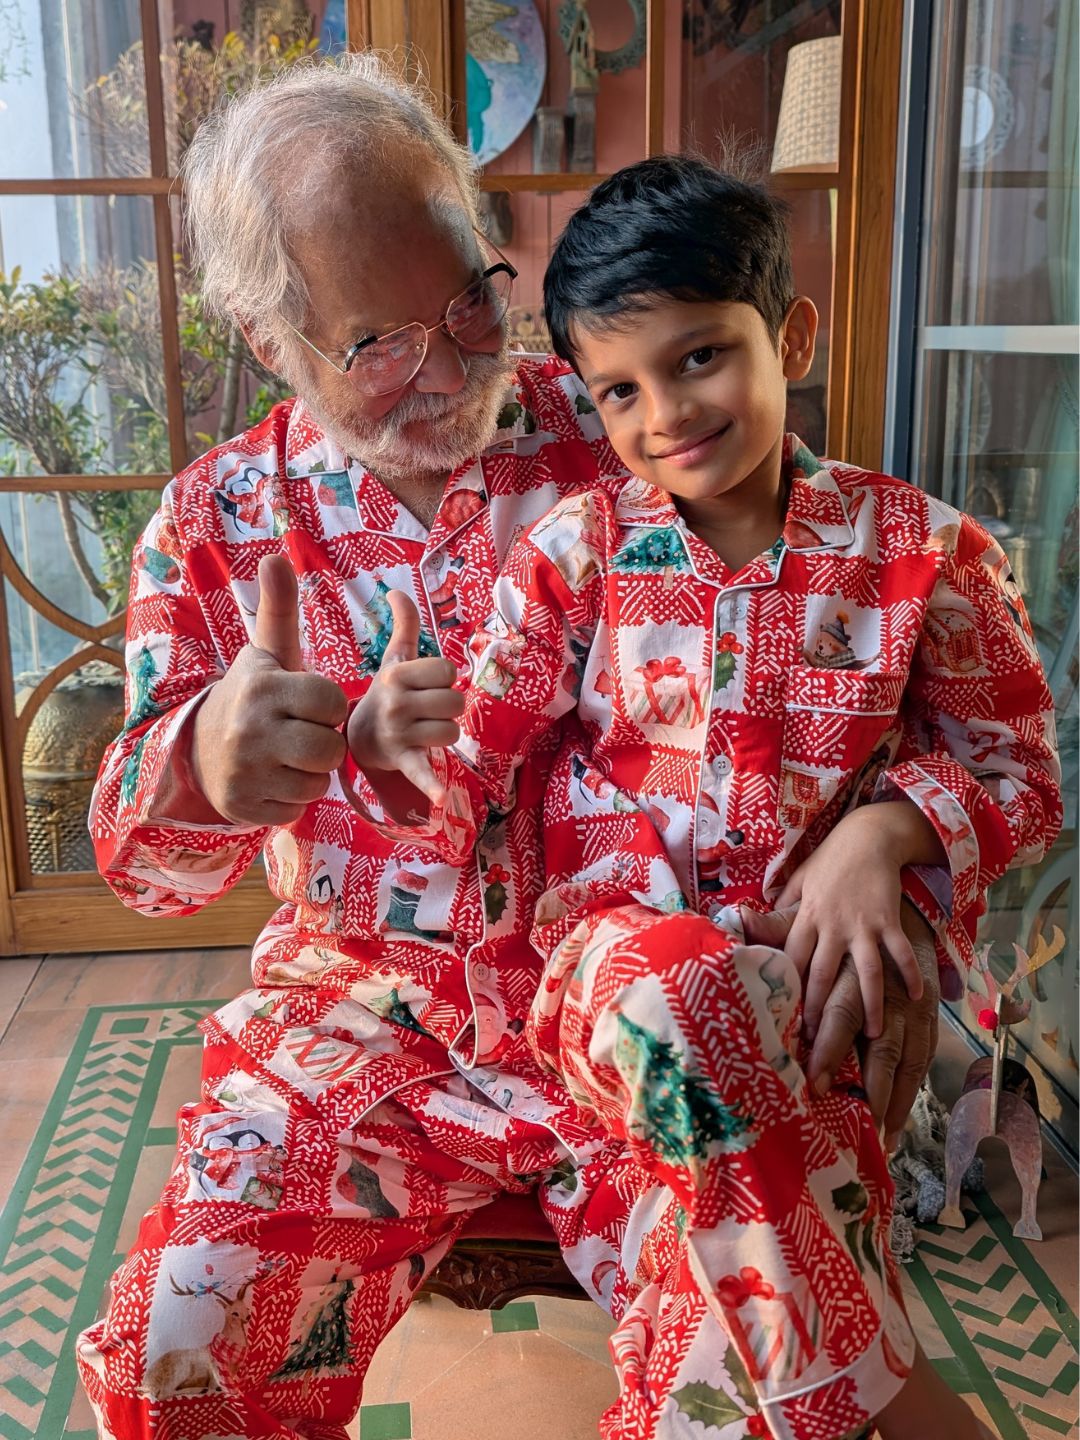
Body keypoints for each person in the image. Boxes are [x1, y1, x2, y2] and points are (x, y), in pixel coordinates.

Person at [74, 54, 950, 1440]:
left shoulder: (628, 420)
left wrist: (879, 834)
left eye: (470, 298)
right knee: (171, 1354)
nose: (453, 363)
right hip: (359, 1021)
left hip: (633, 990)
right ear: (265, 336)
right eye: (376, 341)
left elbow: (860, 654)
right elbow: (143, 871)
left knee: (769, 1369)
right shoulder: (210, 528)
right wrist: (204, 766)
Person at [345, 155, 1062, 1438]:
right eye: (618, 388)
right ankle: (912, 1407)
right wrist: (399, 737)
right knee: (687, 993)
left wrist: (883, 835)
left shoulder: (926, 554)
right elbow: (469, 779)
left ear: (790, 333)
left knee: (756, 1214)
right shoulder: (577, 555)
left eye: (698, 358)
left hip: (816, 995)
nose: (662, 412)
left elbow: (1021, 773)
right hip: (610, 980)